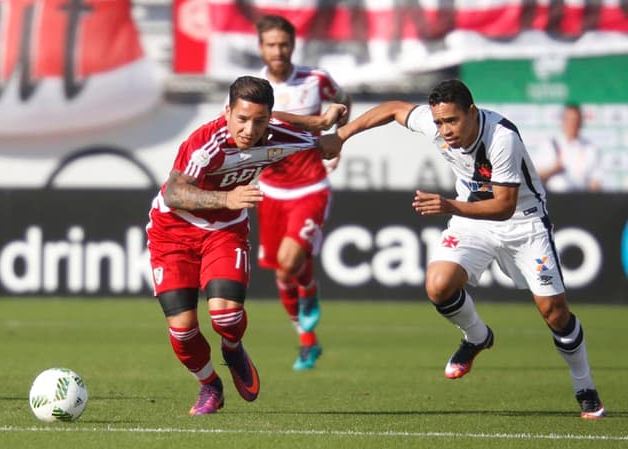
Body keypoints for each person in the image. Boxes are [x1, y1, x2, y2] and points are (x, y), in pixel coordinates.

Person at [318, 79, 606, 419]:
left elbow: (503, 206)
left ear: (471, 112)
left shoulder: (502, 138)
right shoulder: (438, 123)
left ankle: (584, 384)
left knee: (554, 313)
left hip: (523, 224)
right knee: (438, 285)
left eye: (451, 121)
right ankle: (477, 337)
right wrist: (342, 135)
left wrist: (448, 205)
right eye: (439, 122)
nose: (444, 130)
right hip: (472, 221)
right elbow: (393, 108)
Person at [146, 75, 344, 415]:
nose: (249, 130)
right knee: (182, 329)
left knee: (227, 316)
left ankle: (232, 347)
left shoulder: (281, 135)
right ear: (227, 112)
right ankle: (210, 385)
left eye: (259, 121)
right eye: (242, 119)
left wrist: (337, 134)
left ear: (270, 118)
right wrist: (228, 196)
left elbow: (326, 134)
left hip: (224, 230)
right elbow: (173, 193)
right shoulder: (205, 143)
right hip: (173, 232)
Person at [254, 14, 352, 370]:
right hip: (270, 190)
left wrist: (336, 139)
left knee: (289, 264)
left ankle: (308, 301)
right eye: (271, 44)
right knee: (283, 272)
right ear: (260, 47)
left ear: (293, 45)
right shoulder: (253, 89)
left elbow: (342, 100)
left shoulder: (316, 79)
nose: (278, 51)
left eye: (284, 44)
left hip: (310, 185)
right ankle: (307, 340)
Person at [534, 103, 602, 192]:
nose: (572, 124)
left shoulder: (591, 148)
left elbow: (596, 180)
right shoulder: (550, 145)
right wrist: (553, 169)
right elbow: (535, 175)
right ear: (563, 121)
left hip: (581, 198)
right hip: (554, 198)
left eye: (575, 120)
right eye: (569, 120)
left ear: (581, 122)